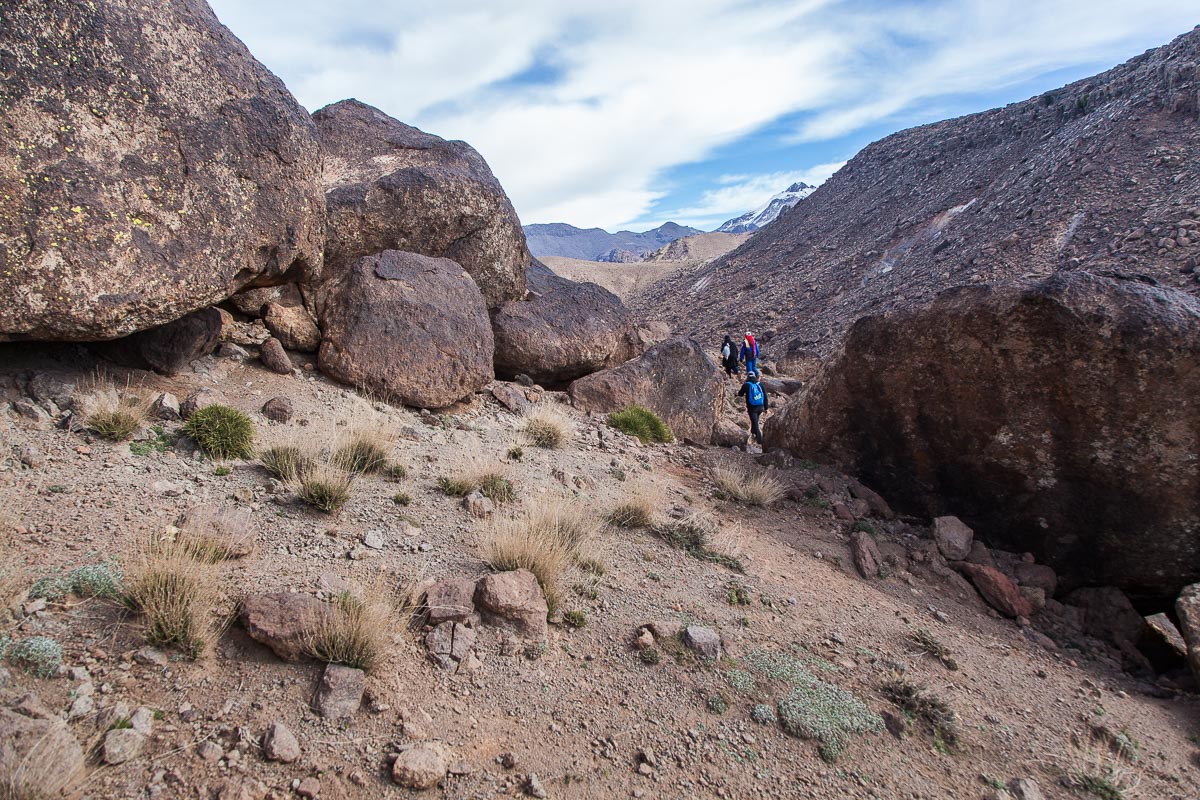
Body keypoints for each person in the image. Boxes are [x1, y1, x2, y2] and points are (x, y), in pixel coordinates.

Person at [736, 371, 769, 446]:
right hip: (760, 407)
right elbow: (765, 396)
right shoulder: (760, 384)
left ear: (748, 377)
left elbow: (740, 394)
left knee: (755, 423)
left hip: (752, 408)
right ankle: (753, 435)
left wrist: (737, 394)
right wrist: (766, 407)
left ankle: (760, 441)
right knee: (755, 421)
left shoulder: (746, 385)